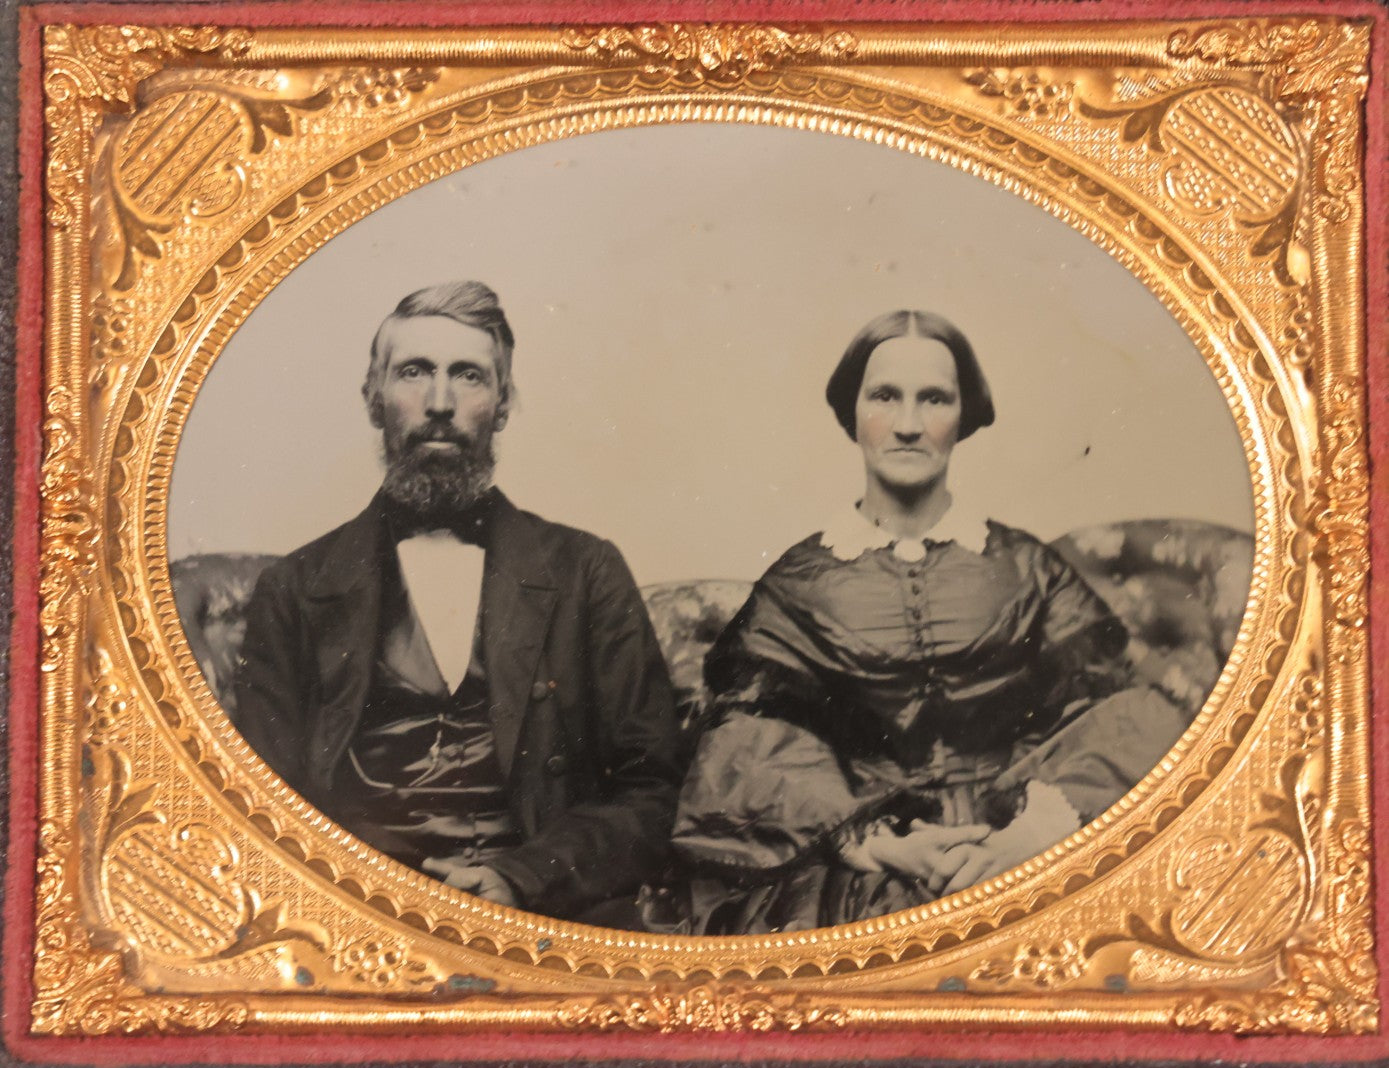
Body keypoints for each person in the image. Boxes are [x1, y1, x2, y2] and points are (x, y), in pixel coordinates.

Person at [661, 311, 1188, 934]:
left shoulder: (1027, 567)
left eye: (933, 399)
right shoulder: (798, 580)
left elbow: (1120, 714)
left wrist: (1031, 838)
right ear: (853, 414)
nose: (908, 425)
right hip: (861, 871)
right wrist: (879, 843)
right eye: (885, 396)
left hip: (1024, 851)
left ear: (962, 416)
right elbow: (744, 742)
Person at [233, 281, 682, 926]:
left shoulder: (586, 570)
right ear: (373, 399)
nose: (440, 403)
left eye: (468, 376)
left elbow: (654, 790)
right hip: (357, 916)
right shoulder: (294, 588)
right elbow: (257, 806)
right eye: (413, 372)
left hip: (542, 911)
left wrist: (523, 878)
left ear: (501, 405)